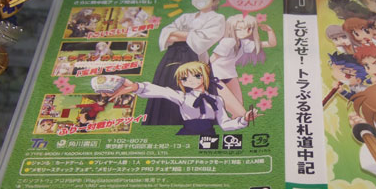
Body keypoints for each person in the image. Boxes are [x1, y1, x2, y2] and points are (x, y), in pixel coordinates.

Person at [101, 61, 258, 135]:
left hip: (209, 137)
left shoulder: (217, 100)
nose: (191, 80)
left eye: (196, 76)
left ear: (204, 76)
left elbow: (225, 124)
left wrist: (244, 120)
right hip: (186, 136)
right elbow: (160, 91)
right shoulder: (182, 97)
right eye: (184, 78)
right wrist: (136, 86)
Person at [146, 0, 225, 125]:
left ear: (215, 0)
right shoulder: (186, 16)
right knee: (168, 85)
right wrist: (187, 35)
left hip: (194, 56)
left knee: (193, 86)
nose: (199, 1)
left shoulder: (217, 18)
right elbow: (167, 33)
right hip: (172, 55)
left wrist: (178, 35)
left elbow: (204, 38)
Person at [210, 14, 276, 117]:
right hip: (215, 76)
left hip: (230, 74)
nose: (245, 31)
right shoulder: (228, 42)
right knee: (239, 111)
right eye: (239, 29)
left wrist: (270, 31)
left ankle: (236, 123)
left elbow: (271, 44)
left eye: (249, 28)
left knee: (239, 108)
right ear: (231, 29)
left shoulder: (244, 43)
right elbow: (212, 59)